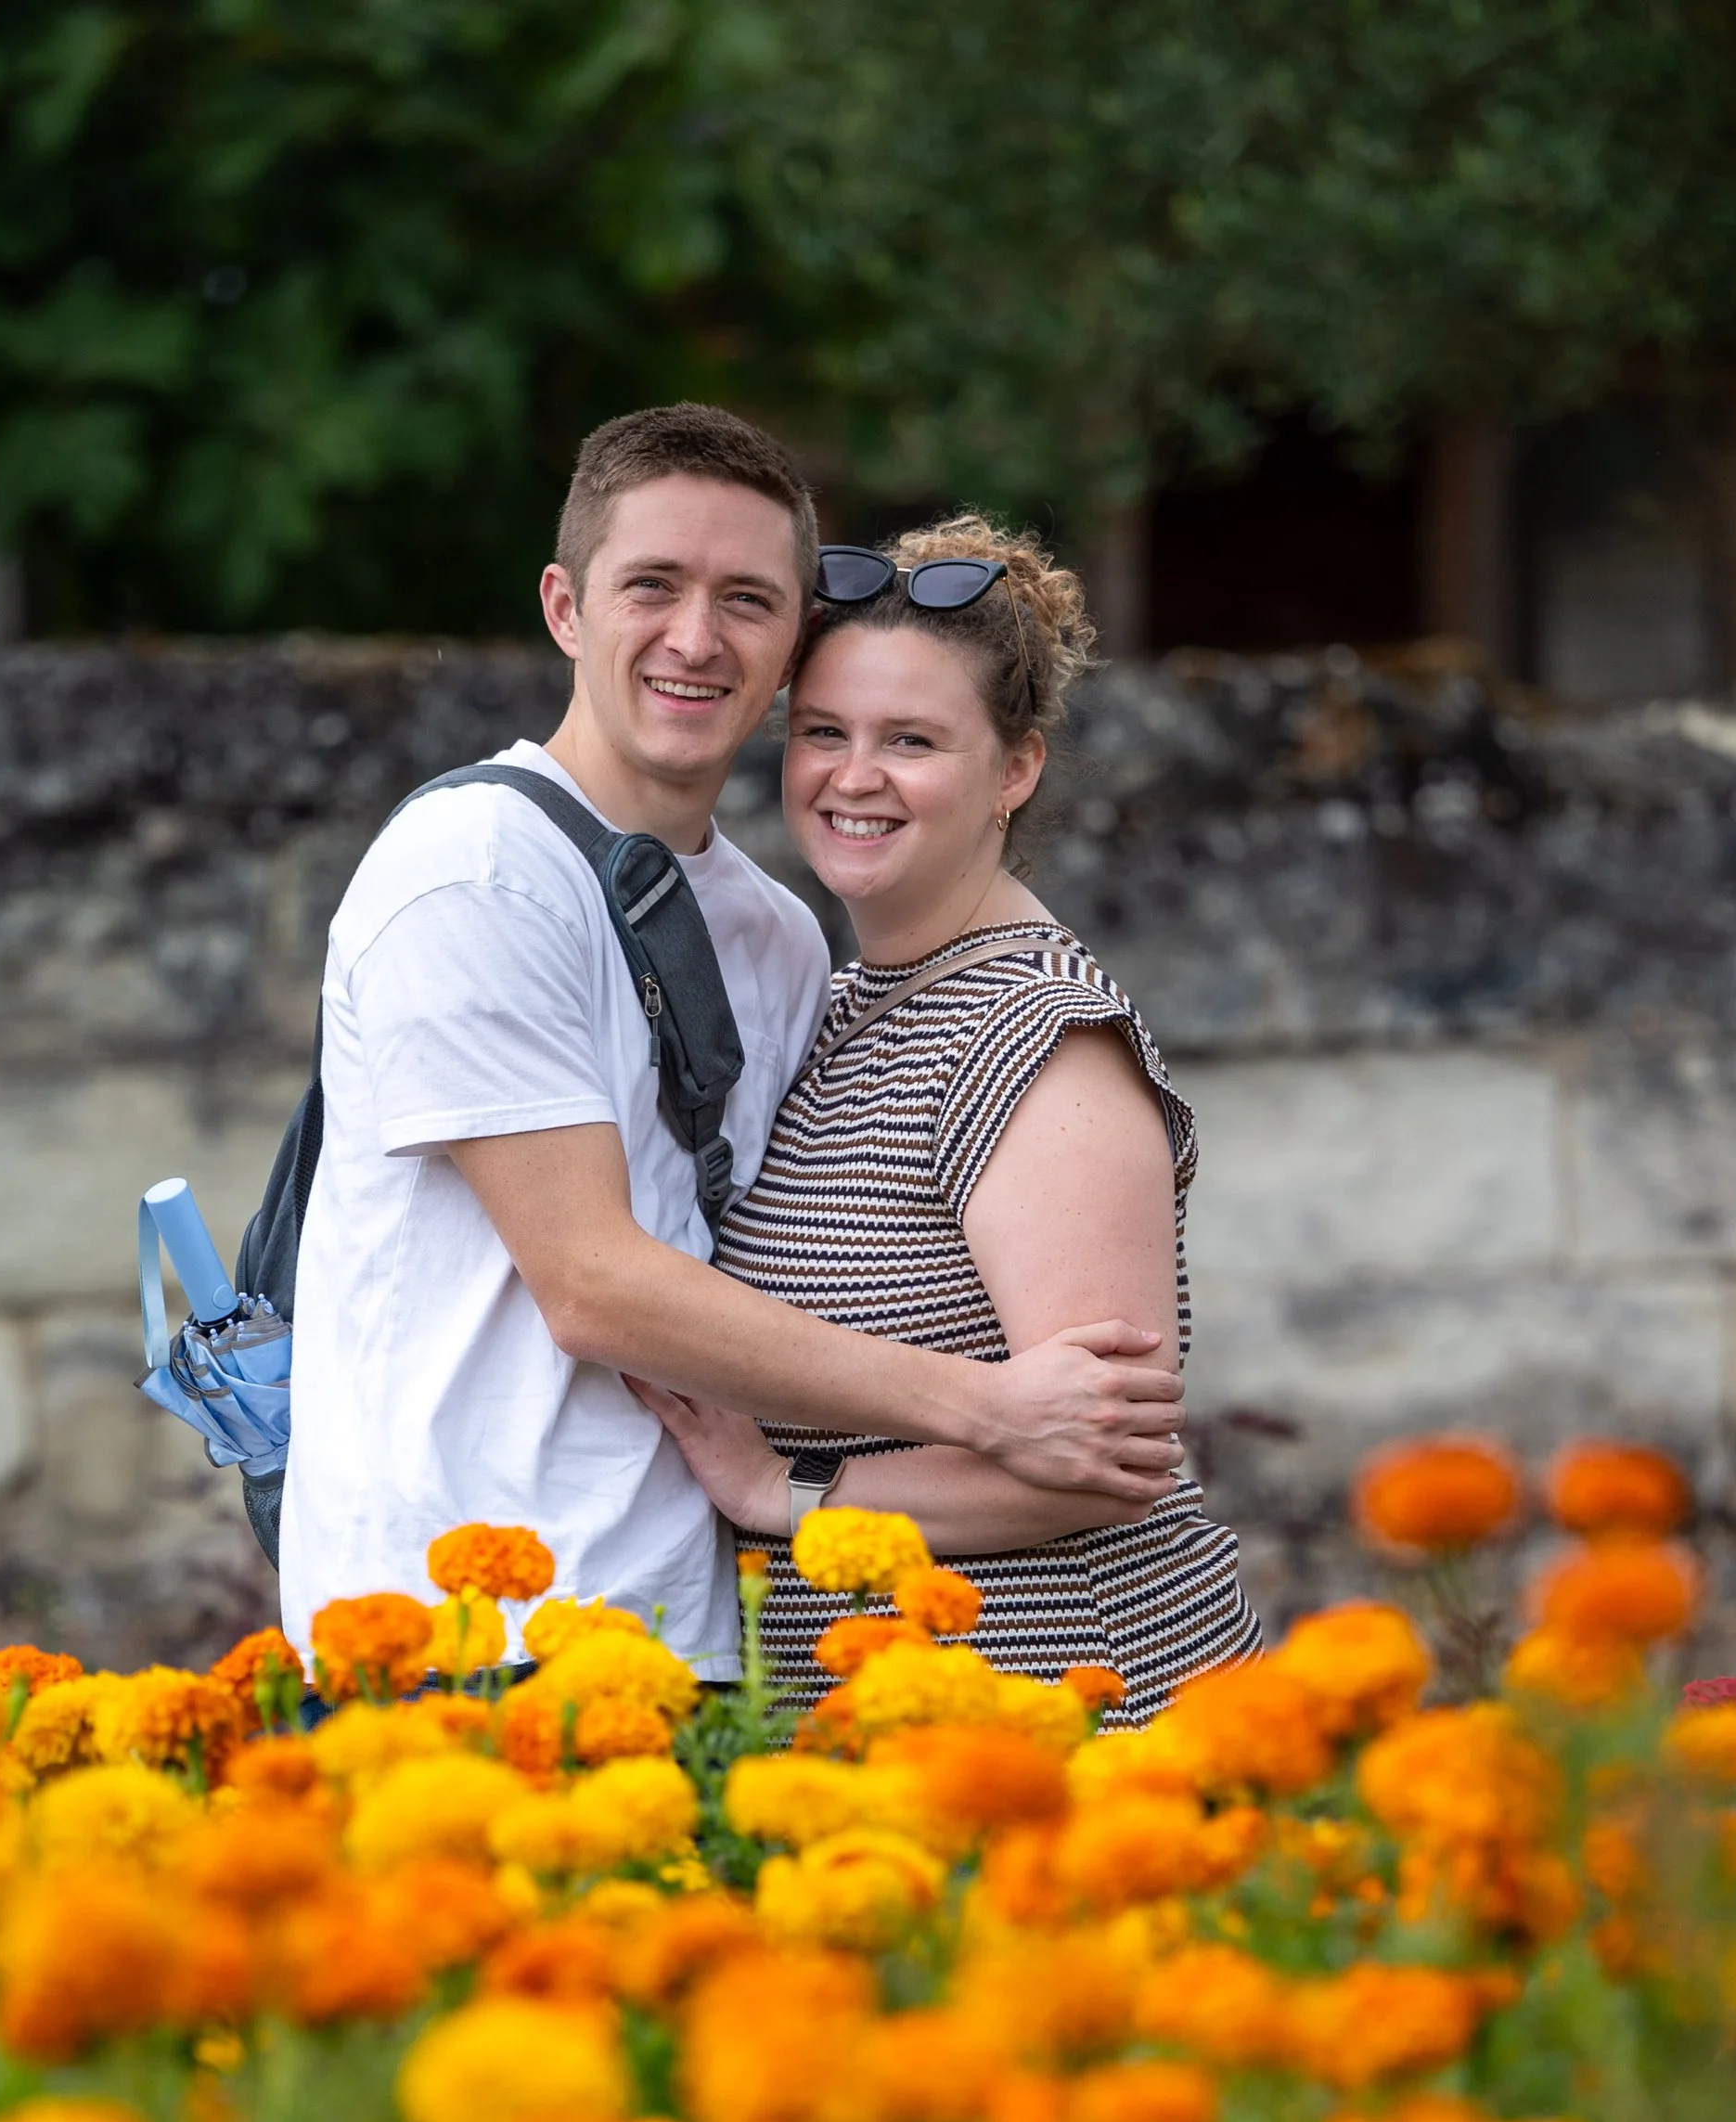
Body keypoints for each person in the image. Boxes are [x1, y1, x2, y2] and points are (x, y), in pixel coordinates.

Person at [279, 411, 1186, 1678]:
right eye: (652, 585)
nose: (697, 638)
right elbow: (593, 1282)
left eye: (748, 600)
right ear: (565, 607)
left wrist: (785, 1495)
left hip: (704, 1626)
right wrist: (986, 1407)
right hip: (472, 1633)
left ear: (785, 651)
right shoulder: (474, 873)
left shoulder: (779, 937)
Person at [627, 514, 1259, 1721]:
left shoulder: (1037, 1046)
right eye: (823, 733)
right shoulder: (839, 999)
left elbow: (1106, 1470)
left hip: (1074, 1717)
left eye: (910, 741)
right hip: (901, 1726)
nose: (851, 777)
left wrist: (782, 1492)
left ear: (1014, 768)